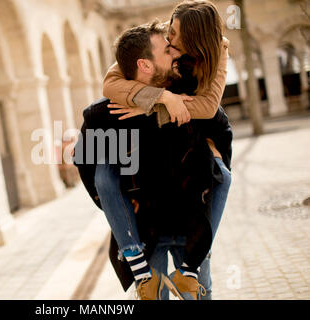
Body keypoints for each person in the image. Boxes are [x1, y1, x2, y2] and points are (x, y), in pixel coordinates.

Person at [74, 17, 231, 300]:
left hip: (192, 226)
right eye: (167, 51)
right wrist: (117, 204)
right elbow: (85, 163)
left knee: (200, 296)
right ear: (145, 65)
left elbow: (222, 128)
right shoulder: (103, 114)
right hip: (144, 232)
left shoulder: (191, 101)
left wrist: (215, 162)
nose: (176, 53)